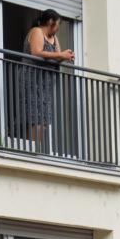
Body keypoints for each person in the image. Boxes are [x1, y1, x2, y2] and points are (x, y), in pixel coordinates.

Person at [22, 9, 73, 149]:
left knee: (44, 120)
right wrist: (60, 55)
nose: (58, 28)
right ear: (50, 22)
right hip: (33, 80)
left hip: (47, 84)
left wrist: (65, 57)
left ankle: (36, 148)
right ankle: (32, 149)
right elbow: (36, 52)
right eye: (57, 24)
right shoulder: (37, 31)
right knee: (35, 118)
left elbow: (57, 56)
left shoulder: (54, 38)